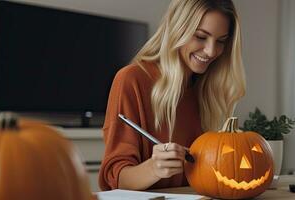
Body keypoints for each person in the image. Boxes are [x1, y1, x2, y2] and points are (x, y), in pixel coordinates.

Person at [99, 0, 246, 191]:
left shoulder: (209, 90)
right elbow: (116, 181)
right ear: (178, 29)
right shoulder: (132, 79)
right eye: (201, 36)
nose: (211, 51)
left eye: (221, 41)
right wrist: (154, 168)